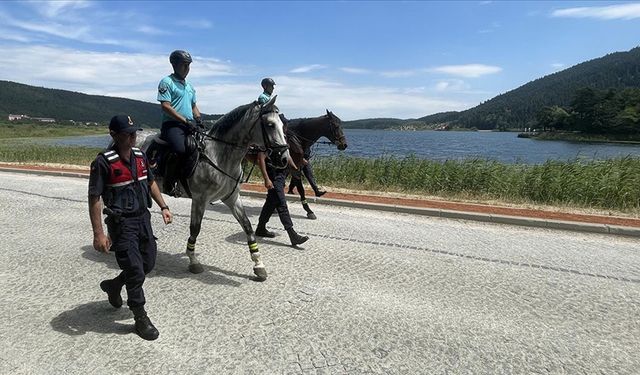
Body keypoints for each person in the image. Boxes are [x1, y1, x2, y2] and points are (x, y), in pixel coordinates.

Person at [88, 115, 173, 341]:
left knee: (148, 264)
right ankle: (140, 317)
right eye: (127, 133)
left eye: (134, 132)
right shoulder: (103, 162)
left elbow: (151, 182)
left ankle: (114, 285)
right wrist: (98, 234)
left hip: (143, 219)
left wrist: (163, 206)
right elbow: (94, 198)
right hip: (121, 224)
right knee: (135, 270)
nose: (133, 136)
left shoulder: (140, 156)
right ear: (114, 135)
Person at [157, 49, 202, 194]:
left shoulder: (190, 86)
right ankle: (168, 183)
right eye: (184, 65)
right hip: (172, 125)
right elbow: (165, 106)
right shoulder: (167, 82)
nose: (187, 69)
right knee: (179, 149)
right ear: (174, 65)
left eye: (188, 65)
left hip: (188, 125)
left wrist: (199, 119)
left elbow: (193, 105)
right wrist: (185, 121)